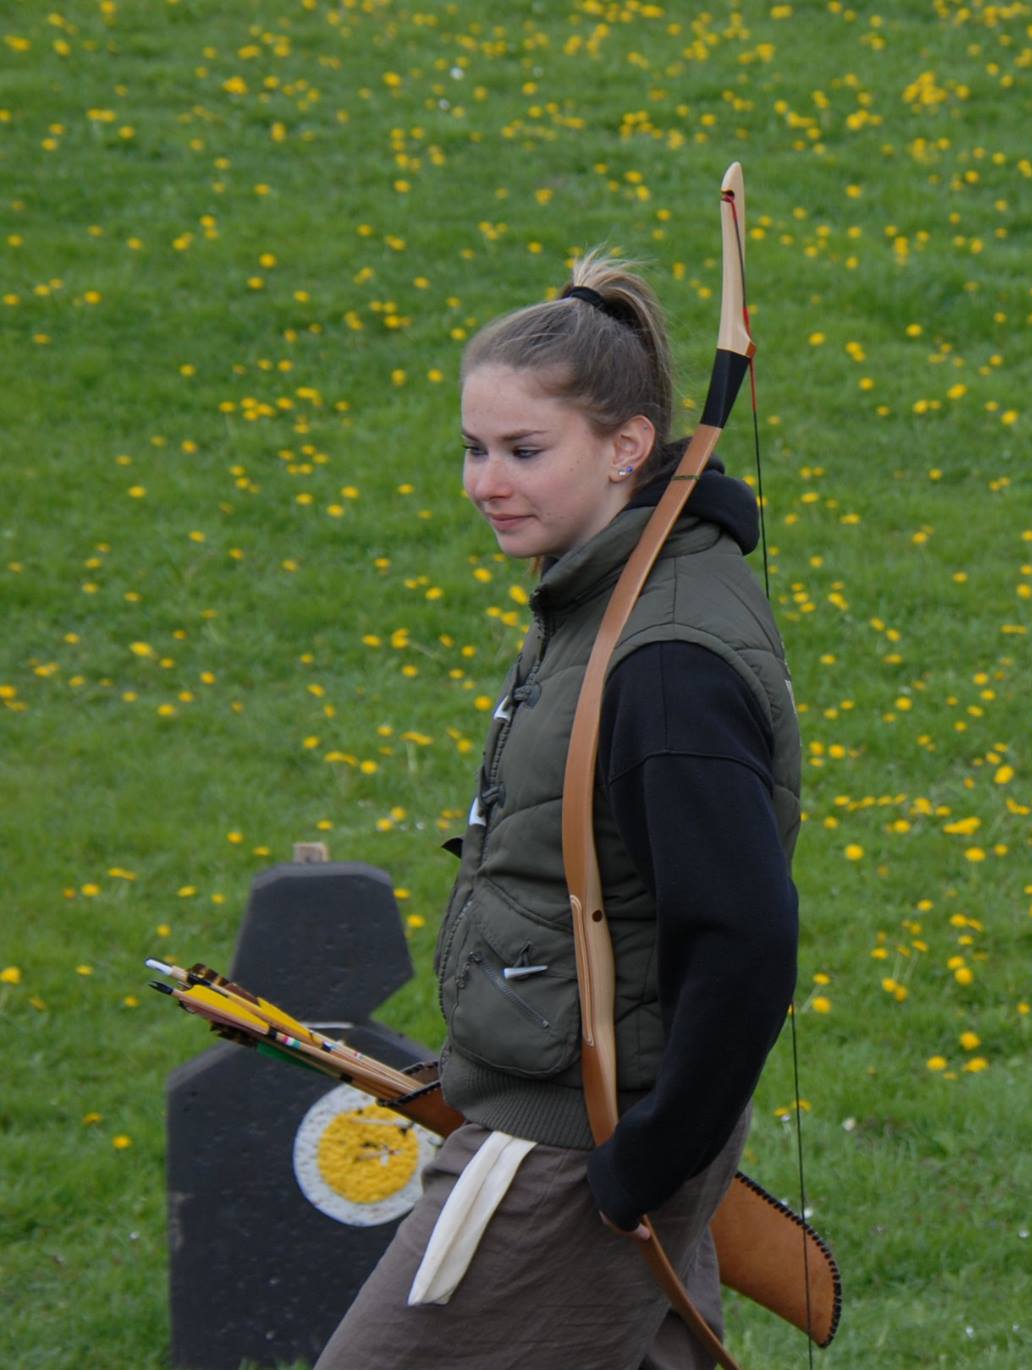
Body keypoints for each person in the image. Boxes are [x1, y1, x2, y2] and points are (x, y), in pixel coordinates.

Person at [318, 252, 802, 1369]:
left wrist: (645, 1161)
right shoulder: (605, 589)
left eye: (524, 451)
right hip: (577, 1122)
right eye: (474, 448)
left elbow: (743, 939)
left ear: (627, 446)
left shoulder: (664, 655)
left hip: (569, 1147)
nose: (486, 481)